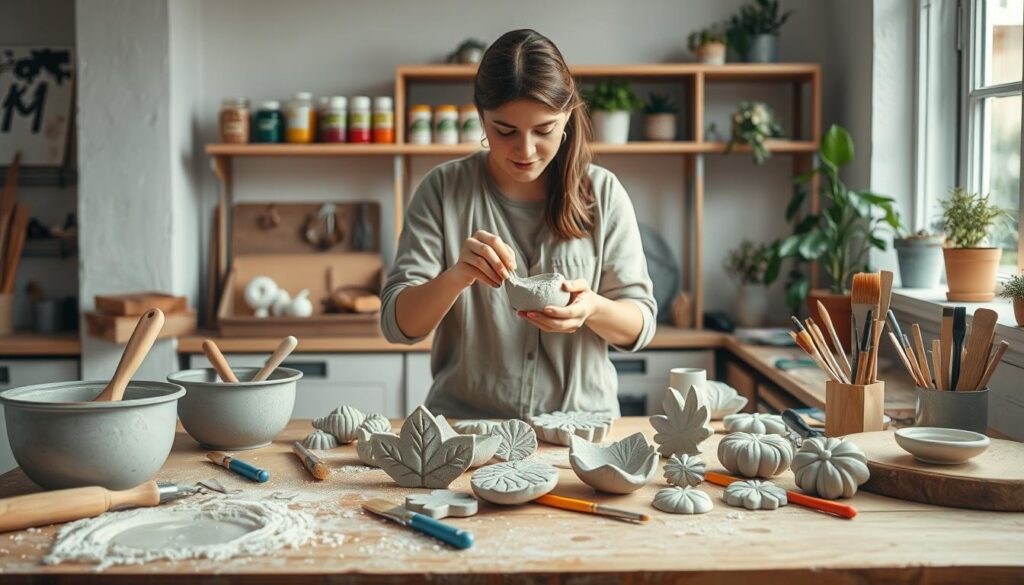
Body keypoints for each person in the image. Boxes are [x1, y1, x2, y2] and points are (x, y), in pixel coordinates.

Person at [381, 29, 656, 419]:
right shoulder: (443, 190)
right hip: (468, 433)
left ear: (567, 117)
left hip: (577, 435)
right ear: (481, 118)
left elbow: (641, 324)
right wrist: (457, 275)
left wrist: (591, 309)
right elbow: (398, 325)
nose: (525, 150)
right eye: (504, 131)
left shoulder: (604, 193)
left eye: (543, 130)